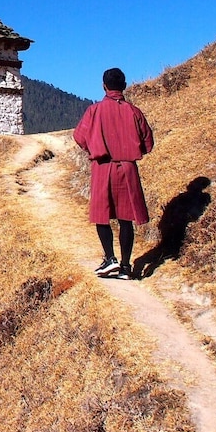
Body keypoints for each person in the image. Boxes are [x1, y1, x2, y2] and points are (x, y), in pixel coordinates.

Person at [73, 68, 154, 280]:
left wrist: (94, 146)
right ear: (124, 86)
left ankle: (110, 259)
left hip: (103, 166)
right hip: (127, 168)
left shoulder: (94, 110)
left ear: (104, 86)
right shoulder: (134, 111)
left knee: (102, 216)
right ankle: (126, 267)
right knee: (125, 218)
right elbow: (148, 143)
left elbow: (79, 137)